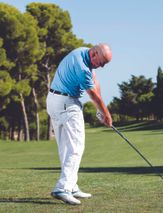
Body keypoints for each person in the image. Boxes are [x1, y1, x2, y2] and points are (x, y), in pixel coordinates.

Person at [46, 43, 113, 205]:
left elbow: (95, 80)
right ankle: (63, 188)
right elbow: (92, 95)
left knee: (65, 148)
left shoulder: (83, 52)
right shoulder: (82, 67)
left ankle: (72, 185)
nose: (102, 66)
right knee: (76, 147)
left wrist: (100, 110)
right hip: (67, 103)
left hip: (53, 101)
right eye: (102, 62)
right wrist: (107, 114)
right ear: (95, 54)